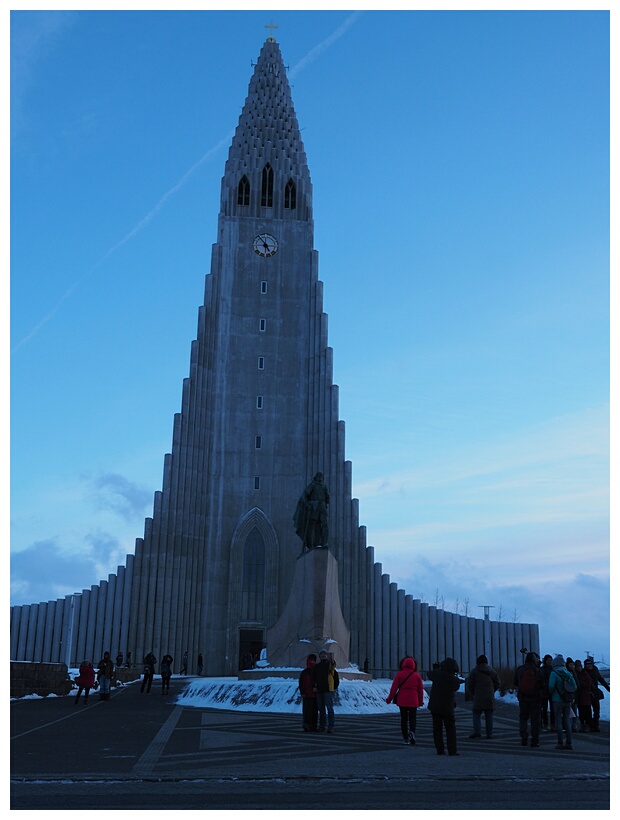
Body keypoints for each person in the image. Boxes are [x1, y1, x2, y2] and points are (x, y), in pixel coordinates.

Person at [426, 657, 463, 756]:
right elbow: (457, 686)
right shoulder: (453, 679)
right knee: (450, 729)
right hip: (448, 707)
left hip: (435, 706)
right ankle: (452, 750)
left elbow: (430, 673)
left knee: (437, 729)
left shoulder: (437, 674)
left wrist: (437, 668)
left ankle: (440, 749)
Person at [386, 657, 425, 745]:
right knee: (412, 718)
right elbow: (420, 690)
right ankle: (412, 732)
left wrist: (389, 699)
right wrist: (420, 701)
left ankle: (405, 738)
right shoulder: (416, 676)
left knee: (404, 719)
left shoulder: (399, 675)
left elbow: (394, 689)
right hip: (413, 700)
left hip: (402, 700)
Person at [513, 651, 545, 747]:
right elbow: (543, 685)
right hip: (535, 699)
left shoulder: (520, 670)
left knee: (523, 718)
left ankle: (524, 737)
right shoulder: (538, 671)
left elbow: (515, 683)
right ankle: (535, 740)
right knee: (535, 721)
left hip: (523, 699)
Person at [466, 654, 500, 739]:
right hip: (489, 697)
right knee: (489, 715)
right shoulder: (492, 671)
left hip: (478, 696)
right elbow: (498, 683)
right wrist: (492, 690)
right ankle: (489, 734)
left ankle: (477, 732)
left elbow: (470, 684)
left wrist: (473, 693)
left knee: (476, 714)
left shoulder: (474, 672)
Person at [293, 472, 330, 551]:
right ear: (316, 477)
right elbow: (304, 495)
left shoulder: (324, 487)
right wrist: (308, 504)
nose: (320, 478)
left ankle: (324, 543)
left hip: (322, 507)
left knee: (324, 525)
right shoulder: (313, 485)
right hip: (314, 507)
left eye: (321, 476)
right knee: (312, 525)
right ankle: (311, 544)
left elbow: (327, 497)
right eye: (318, 476)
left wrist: (326, 502)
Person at [548, 654, 574, 750]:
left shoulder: (554, 673)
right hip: (567, 700)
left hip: (557, 699)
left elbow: (551, 686)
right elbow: (574, 686)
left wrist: (552, 692)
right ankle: (569, 742)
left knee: (558, 721)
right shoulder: (568, 673)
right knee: (567, 720)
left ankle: (560, 742)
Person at [312, 649, 339, 733]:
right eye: (322, 654)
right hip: (319, 690)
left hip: (328, 690)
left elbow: (333, 668)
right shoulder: (317, 666)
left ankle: (331, 726)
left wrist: (332, 662)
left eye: (325, 654)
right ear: (319, 656)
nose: (323, 655)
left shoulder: (329, 666)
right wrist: (313, 686)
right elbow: (313, 677)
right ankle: (322, 726)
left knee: (329, 708)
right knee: (321, 709)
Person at [584, 657, 610, 732]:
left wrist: (608, 688)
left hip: (595, 692)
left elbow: (601, 679)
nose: (589, 666)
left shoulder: (595, 670)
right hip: (587, 693)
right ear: (585, 665)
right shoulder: (584, 672)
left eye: (590, 664)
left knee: (596, 710)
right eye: (587, 665)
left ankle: (596, 724)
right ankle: (590, 725)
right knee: (588, 710)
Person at [298, 653, 318, 732]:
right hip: (307, 694)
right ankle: (306, 725)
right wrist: (302, 692)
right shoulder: (304, 672)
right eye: (311, 660)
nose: (312, 662)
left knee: (314, 711)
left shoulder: (317, 671)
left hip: (315, 694)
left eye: (313, 660)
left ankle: (313, 725)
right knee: (307, 711)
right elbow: (301, 683)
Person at [573, 659, 594, 732]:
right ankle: (583, 725)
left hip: (585, 695)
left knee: (587, 711)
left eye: (580, 666)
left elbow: (588, 683)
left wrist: (581, 684)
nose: (579, 668)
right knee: (581, 712)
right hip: (579, 696)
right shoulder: (575, 674)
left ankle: (588, 725)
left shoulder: (584, 674)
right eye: (577, 666)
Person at [540, 654, 554, 731]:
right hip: (545, 692)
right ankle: (545, 723)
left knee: (553, 709)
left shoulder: (553, 669)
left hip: (551, 692)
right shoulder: (542, 669)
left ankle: (552, 724)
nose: (550, 662)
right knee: (544, 709)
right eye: (549, 660)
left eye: (551, 660)